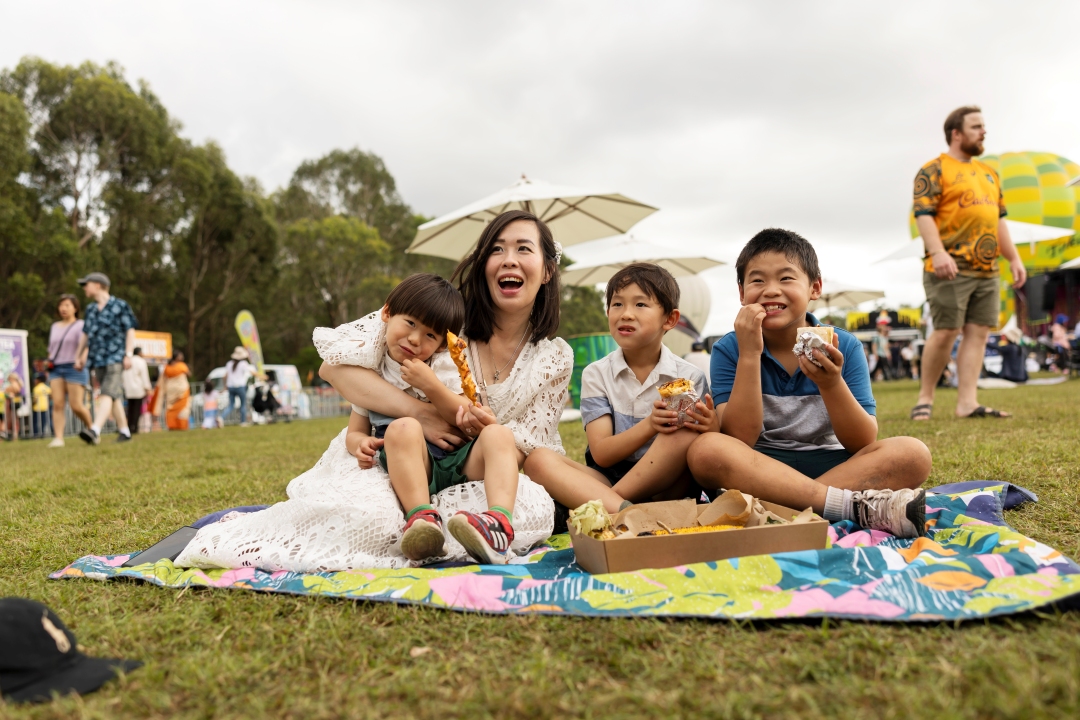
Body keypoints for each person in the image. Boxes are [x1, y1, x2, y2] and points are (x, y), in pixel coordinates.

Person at [175, 209, 572, 571]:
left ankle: (493, 527)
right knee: (383, 480)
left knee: (515, 470)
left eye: (524, 248)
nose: (509, 259)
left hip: (470, 460)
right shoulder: (444, 317)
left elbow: (498, 430)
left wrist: (468, 418)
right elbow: (337, 373)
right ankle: (421, 521)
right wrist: (411, 416)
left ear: (547, 269)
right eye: (497, 249)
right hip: (404, 455)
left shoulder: (539, 355)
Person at [687, 228, 932, 538]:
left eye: (786, 278)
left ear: (814, 287)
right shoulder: (730, 348)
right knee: (705, 450)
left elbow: (862, 442)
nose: (771, 290)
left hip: (836, 467)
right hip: (760, 468)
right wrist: (750, 354)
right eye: (757, 280)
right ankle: (846, 506)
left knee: (913, 454)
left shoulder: (844, 345)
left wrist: (831, 384)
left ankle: (782, 509)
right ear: (741, 292)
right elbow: (739, 438)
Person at [341, 273, 520, 563]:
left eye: (430, 335)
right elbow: (355, 430)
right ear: (387, 313)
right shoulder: (371, 372)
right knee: (403, 427)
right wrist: (359, 444)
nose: (414, 339)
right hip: (414, 466)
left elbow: (462, 413)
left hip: (456, 457)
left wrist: (431, 385)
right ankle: (422, 520)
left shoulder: (443, 365)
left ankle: (498, 525)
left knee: (500, 435)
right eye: (410, 323)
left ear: (441, 345)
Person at [524, 263, 714, 514]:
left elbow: (703, 444)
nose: (626, 314)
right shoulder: (597, 374)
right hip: (611, 479)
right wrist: (650, 425)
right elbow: (602, 453)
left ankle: (606, 505)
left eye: (640, 304)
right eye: (617, 304)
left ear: (670, 319)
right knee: (537, 460)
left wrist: (711, 426)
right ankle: (625, 510)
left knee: (685, 433)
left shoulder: (688, 376)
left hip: (667, 487)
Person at [910, 106, 1025, 421]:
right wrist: (937, 253)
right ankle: (925, 398)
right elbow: (923, 215)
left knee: (978, 332)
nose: (983, 131)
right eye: (976, 126)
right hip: (949, 267)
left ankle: (967, 403)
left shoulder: (990, 173)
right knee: (946, 331)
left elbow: (998, 220)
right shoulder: (933, 170)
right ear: (956, 133)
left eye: (983, 126)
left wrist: (1013, 257)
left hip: (987, 270)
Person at [74, 272, 139, 444]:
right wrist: (79, 356)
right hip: (97, 358)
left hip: (116, 356)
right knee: (113, 395)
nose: (84, 288)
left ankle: (95, 430)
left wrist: (128, 354)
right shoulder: (91, 309)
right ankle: (125, 432)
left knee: (107, 392)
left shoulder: (120, 305)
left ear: (97, 285)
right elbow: (85, 335)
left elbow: (130, 330)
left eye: (86, 284)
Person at [46, 294, 94, 448]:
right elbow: (51, 349)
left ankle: (92, 430)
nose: (63, 308)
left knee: (76, 405)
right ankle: (59, 438)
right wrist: (49, 362)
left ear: (75, 308)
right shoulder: (54, 326)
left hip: (74, 367)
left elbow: (86, 345)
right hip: (56, 368)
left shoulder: (81, 325)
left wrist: (82, 360)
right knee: (57, 404)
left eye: (67, 305)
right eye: (61, 305)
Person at [153, 351, 191, 431]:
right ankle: (181, 426)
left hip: (170, 391)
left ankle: (171, 426)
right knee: (183, 409)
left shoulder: (167, 367)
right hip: (182, 390)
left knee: (170, 408)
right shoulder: (182, 366)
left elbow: (163, 379)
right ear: (177, 357)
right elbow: (189, 374)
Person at [121, 347, 152, 435]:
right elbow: (144, 376)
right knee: (137, 409)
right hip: (138, 389)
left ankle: (129, 427)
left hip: (128, 389)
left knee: (130, 409)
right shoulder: (141, 361)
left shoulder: (127, 360)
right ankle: (135, 427)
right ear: (139, 352)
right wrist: (147, 388)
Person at [223, 347, 255, 426]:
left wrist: (225, 386)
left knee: (231, 405)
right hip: (240, 387)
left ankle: (221, 418)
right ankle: (243, 422)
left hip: (230, 387)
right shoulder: (243, 363)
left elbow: (224, 376)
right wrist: (261, 376)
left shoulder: (229, 363)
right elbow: (252, 372)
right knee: (243, 404)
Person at [2, 372, 24, 440]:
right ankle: (14, 434)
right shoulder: (18, 384)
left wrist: (6, 393)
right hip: (14, 404)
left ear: (11, 378)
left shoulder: (14, 385)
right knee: (15, 419)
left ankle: (13, 435)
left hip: (12, 404)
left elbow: (9, 393)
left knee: (12, 419)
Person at [31, 374, 51, 439]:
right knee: (43, 422)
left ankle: (36, 435)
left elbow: (35, 399)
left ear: (38, 380)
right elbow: (51, 395)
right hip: (45, 407)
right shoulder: (46, 387)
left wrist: (32, 405)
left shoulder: (36, 388)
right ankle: (42, 434)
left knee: (35, 422)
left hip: (37, 408)